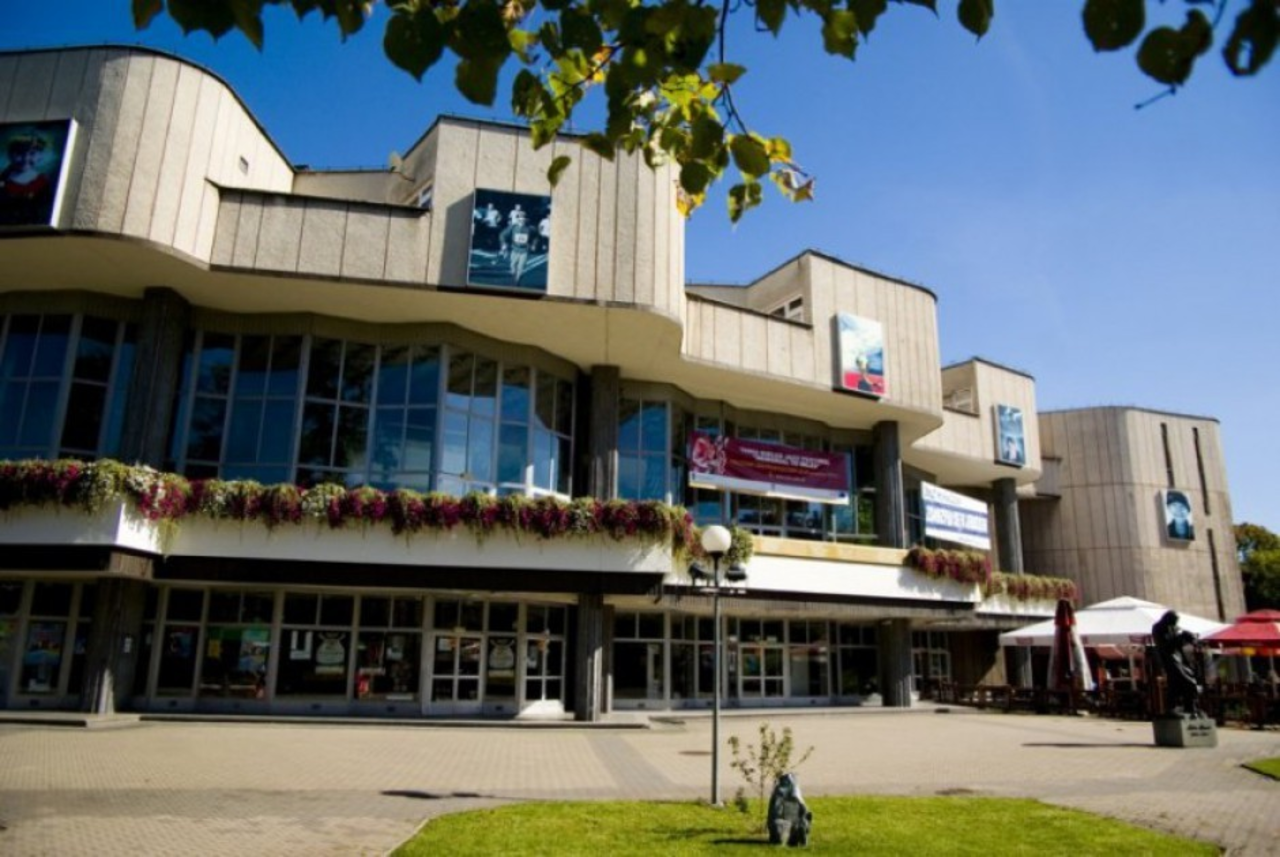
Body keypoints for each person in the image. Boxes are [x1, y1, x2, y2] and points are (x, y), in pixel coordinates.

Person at [1152, 610, 1201, 716]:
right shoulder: (1158, 628)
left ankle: (1187, 707)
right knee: (1187, 682)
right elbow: (1165, 646)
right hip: (1169, 659)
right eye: (1174, 621)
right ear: (1168, 619)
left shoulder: (1173, 628)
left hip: (1178, 658)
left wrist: (1186, 639)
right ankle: (1186, 707)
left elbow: (1178, 646)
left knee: (1177, 684)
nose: (1175, 623)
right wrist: (1180, 638)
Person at [0, 133, 55, 226]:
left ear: (40, 156)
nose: (25, 158)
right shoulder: (3, 179)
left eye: (32, 154)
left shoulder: (42, 182)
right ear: (10, 155)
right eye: (19, 153)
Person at [498, 206, 536, 287]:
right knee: (512, 266)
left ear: (526, 220)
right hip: (514, 250)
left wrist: (534, 244)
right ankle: (515, 275)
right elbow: (502, 235)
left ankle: (517, 280)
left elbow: (536, 237)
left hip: (524, 251)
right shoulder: (513, 227)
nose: (522, 221)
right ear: (518, 219)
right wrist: (504, 244)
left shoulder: (531, 228)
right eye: (520, 219)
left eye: (523, 219)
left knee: (521, 267)